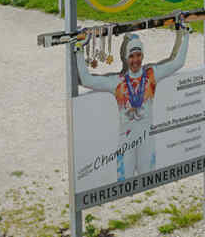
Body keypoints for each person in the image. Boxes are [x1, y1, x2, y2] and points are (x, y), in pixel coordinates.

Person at [75, 25, 191, 182]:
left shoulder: (151, 74)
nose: (135, 60)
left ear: (142, 55)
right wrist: (78, 49)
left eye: (138, 55)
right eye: (131, 56)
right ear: (125, 57)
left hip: (147, 139)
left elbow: (178, 63)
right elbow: (86, 80)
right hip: (126, 142)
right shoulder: (117, 81)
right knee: (124, 184)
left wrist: (186, 34)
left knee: (148, 181)